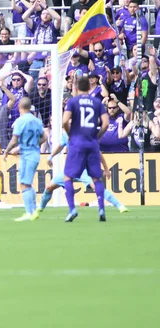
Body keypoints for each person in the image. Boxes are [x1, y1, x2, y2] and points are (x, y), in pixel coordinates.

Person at [36, 131, 129, 215]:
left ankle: (120, 206)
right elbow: (61, 146)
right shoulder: (66, 135)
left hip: (83, 170)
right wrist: (51, 156)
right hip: (69, 170)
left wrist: (106, 168)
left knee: (97, 187)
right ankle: (40, 208)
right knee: (49, 187)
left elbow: (97, 152)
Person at [62, 76, 110, 222]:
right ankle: (101, 209)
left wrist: (70, 134)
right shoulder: (97, 102)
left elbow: (64, 121)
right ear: (90, 87)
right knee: (96, 178)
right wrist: (97, 137)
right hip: (92, 143)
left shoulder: (73, 101)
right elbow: (106, 124)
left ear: (76, 87)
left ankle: (72, 210)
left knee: (68, 177)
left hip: (77, 143)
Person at [3, 97, 45, 221]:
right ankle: (33, 211)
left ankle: (29, 213)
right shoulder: (37, 121)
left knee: (24, 184)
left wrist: (6, 151)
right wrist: (34, 144)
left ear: (19, 107)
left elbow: (14, 139)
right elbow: (44, 137)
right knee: (28, 183)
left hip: (27, 156)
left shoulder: (21, 121)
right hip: (35, 155)